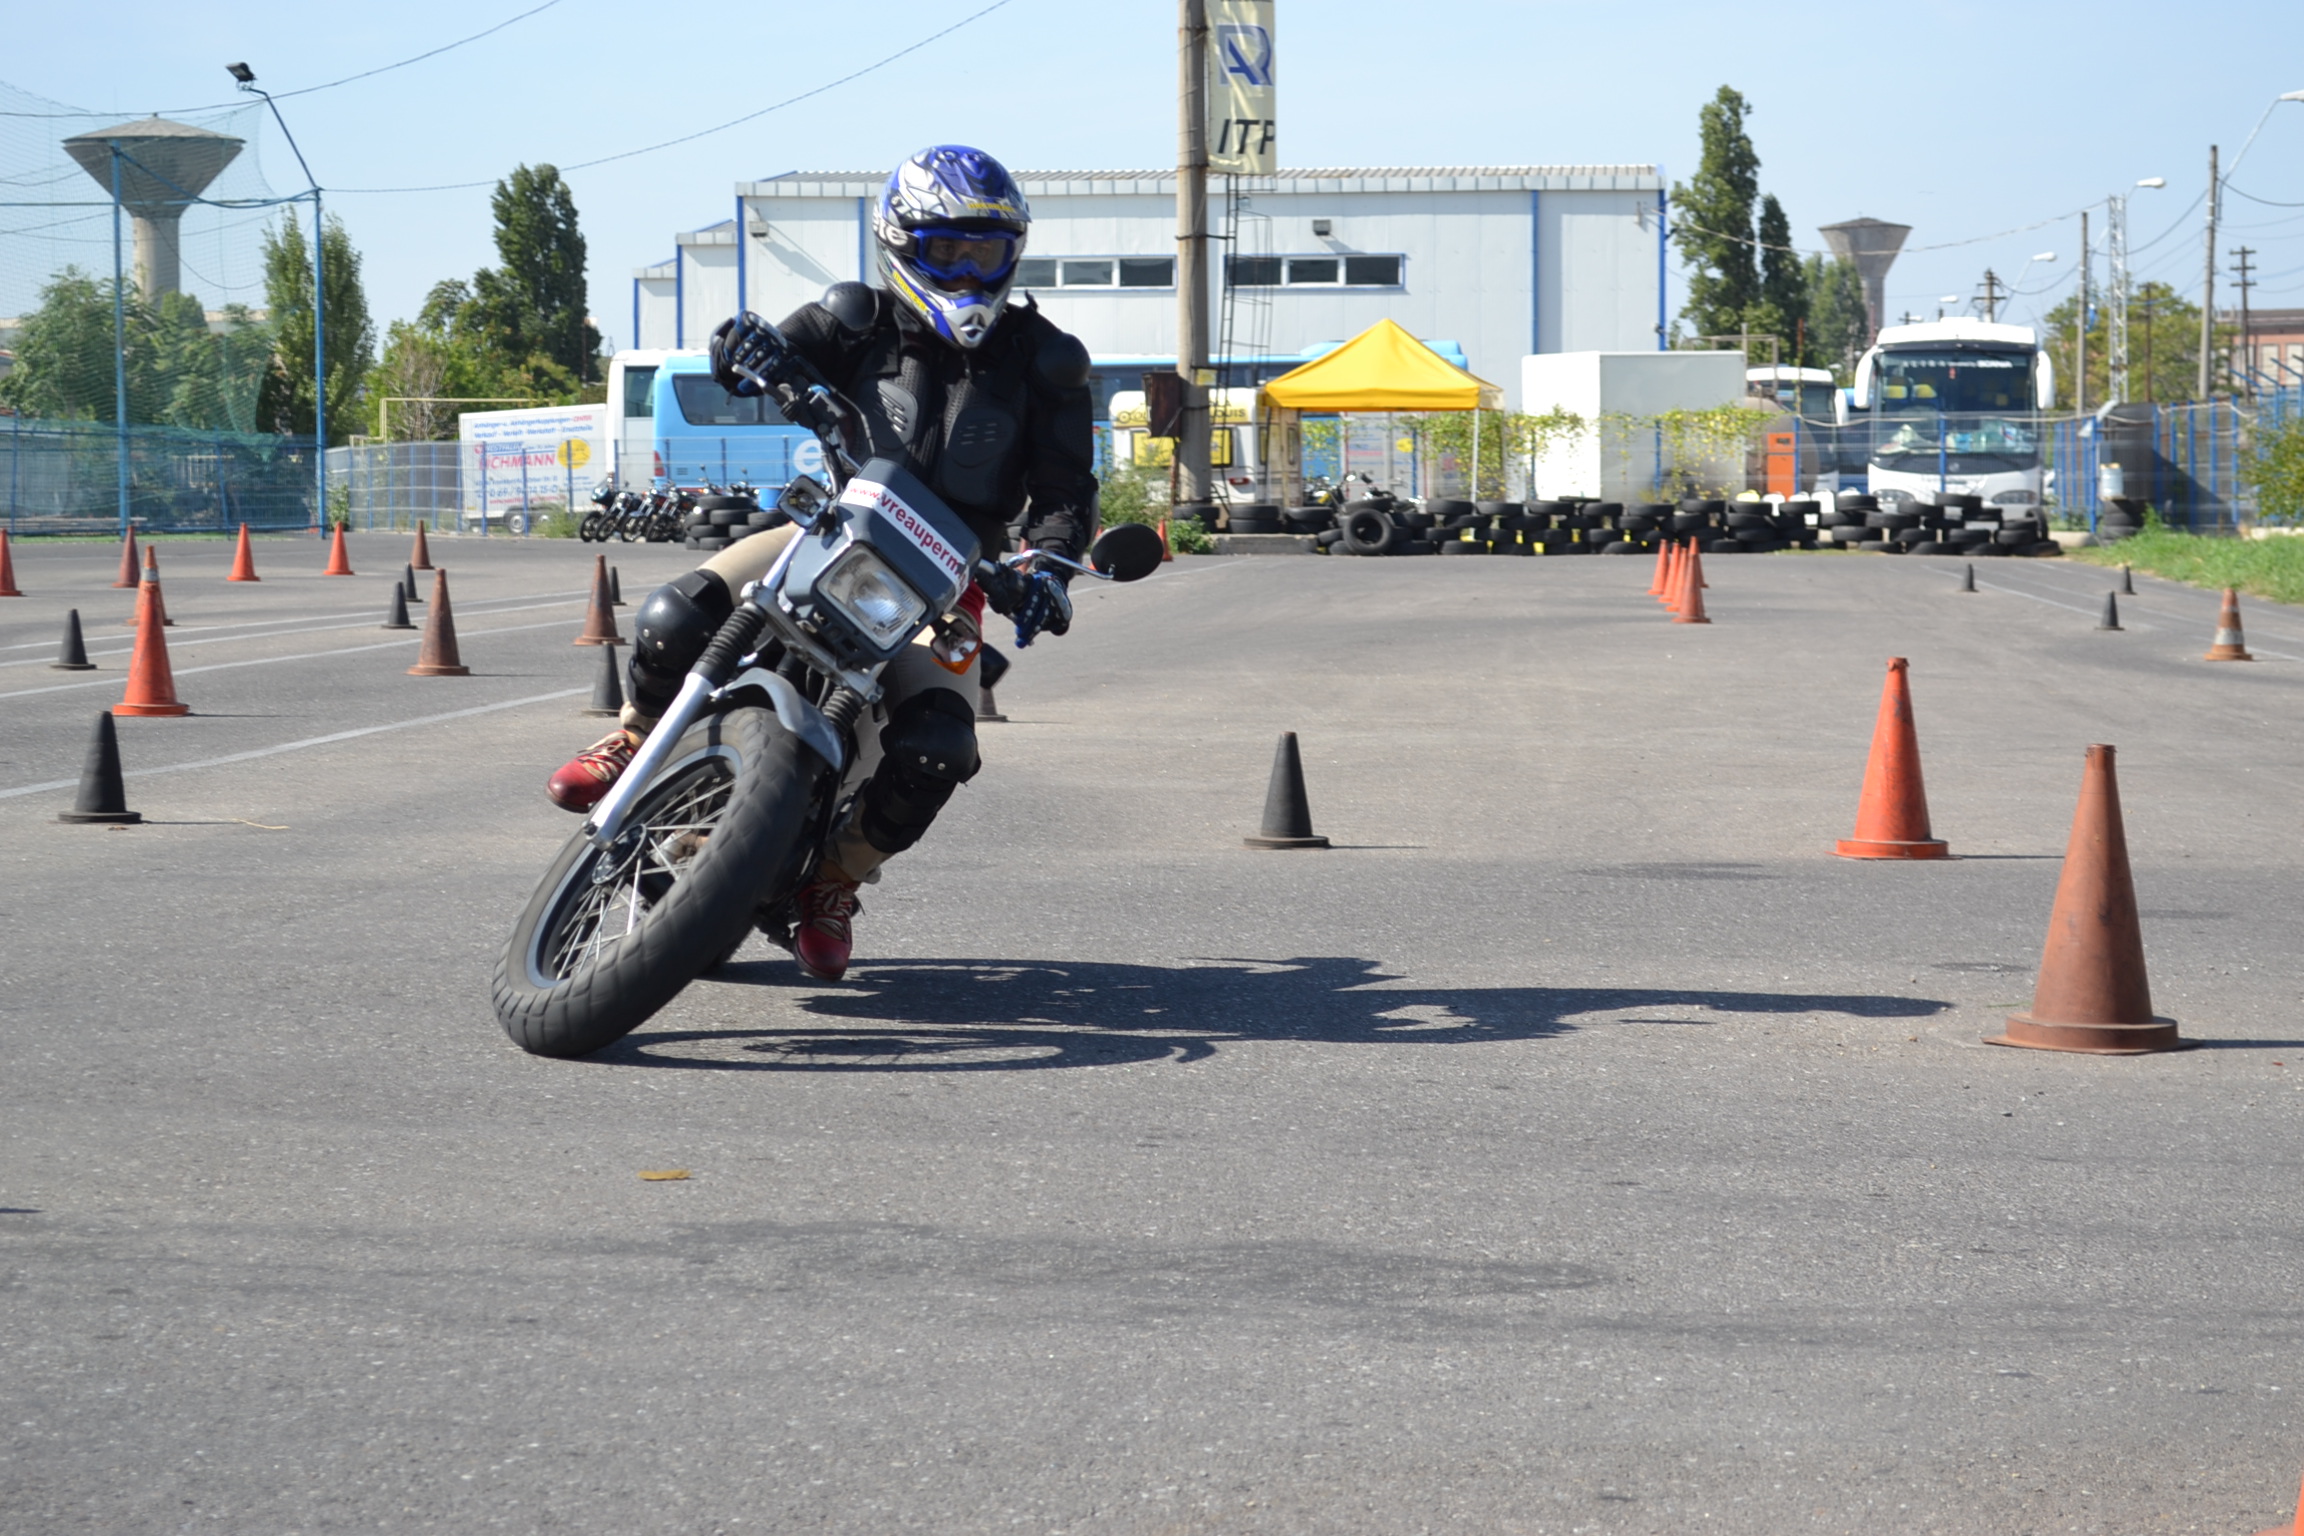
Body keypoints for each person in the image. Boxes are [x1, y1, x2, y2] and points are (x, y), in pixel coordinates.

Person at [543, 145, 1097, 984]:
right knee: (675, 614)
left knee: (942, 745)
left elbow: (1066, 490)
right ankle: (635, 735)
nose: (966, 271)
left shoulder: (1048, 361)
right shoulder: (857, 318)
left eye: (983, 253)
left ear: (1010, 255)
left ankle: (834, 879)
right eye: (947, 250)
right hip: (829, 532)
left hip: (949, 584)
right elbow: (758, 354)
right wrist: (745, 346)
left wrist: (1050, 566)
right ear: (902, 243)